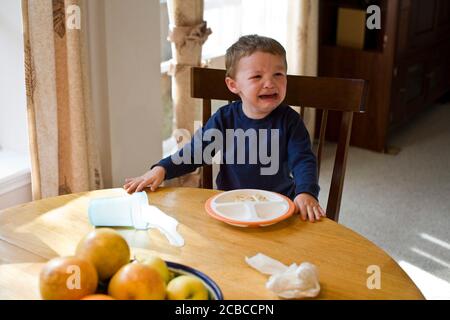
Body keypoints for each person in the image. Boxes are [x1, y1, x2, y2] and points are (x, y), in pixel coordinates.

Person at [124, 34, 326, 222]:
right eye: (257, 77)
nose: (270, 83)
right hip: (230, 205)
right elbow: (194, 153)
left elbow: (303, 161)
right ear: (233, 85)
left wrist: (305, 192)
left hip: (279, 204)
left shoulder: (290, 121)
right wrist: (162, 168)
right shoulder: (224, 119)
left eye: (278, 74)